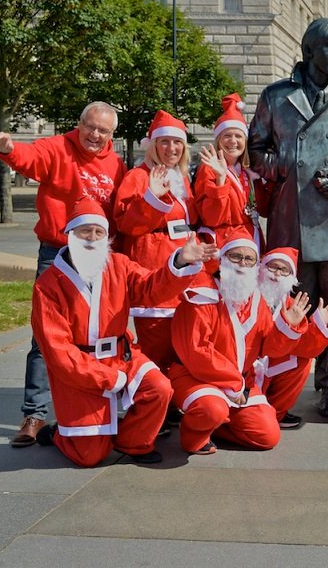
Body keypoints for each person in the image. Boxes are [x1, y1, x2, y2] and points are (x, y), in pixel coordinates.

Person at [248, 18, 328, 417]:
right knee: (293, 310)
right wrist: (291, 162)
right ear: (309, 51)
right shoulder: (276, 97)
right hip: (293, 221)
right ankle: (285, 388)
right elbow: (255, 152)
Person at [30, 197, 213, 467]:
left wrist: (179, 261)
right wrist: (109, 378)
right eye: (84, 231)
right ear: (69, 234)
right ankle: (60, 434)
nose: (91, 238)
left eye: (98, 232)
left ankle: (133, 442)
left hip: (121, 355)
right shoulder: (47, 285)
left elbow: (151, 289)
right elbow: (59, 353)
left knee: (160, 388)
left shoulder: (119, 265)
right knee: (89, 456)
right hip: (80, 369)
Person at [0, 101, 126, 448]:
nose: (94, 135)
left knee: (101, 331)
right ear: (79, 123)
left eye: (103, 130)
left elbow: (122, 208)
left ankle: (99, 402)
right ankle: (34, 413)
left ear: (112, 134)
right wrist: (8, 148)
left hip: (98, 256)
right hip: (58, 253)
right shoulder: (58, 147)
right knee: (44, 335)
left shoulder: (116, 165)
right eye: (89, 126)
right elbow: (30, 157)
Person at [168, 229, 328, 454]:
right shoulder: (202, 295)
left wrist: (288, 325)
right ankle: (194, 436)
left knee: (267, 436)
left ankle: (217, 425)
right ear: (222, 259)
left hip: (242, 383)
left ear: (255, 265)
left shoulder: (257, 301)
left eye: (249, 259)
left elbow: (270, 348)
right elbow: (196, 351)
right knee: (211, 408)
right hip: (197, 378)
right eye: (235, 256)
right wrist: (234, 383)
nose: (242, 264)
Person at [114, 110, 199, 372]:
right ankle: (153, 400)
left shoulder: (182, 177)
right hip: (154, 265)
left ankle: (173, 397)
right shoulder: (138, 177)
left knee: (179, 340)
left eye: (177, 143)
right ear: (152, 145)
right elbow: (127, 224)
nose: (171, 148)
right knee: (155, 341)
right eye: (164, 142)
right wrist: (151, 198)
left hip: (182, 264)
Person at [256, 246, 328, 429]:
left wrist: (320, 324)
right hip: (246, 367)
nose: (277, 273)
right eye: (272, 267)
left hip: (270, 363)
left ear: (291, 279)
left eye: (284, 270)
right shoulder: (247, 296)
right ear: (261, 268)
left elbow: (304, 348)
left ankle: (276, 412)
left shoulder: (293, 306)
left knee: (301, 360)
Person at [196, 93, 264, 250]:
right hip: (225, 243)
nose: (233, 141)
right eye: (227, 136)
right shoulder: (208, 169)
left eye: (238, 136)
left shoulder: (248, 170)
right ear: (219, 140)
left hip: (250, 237)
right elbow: (211, 218)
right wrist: (220, 179)